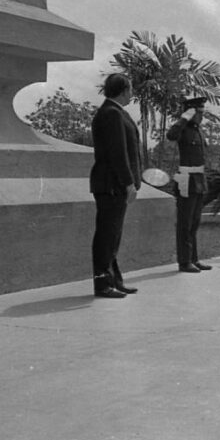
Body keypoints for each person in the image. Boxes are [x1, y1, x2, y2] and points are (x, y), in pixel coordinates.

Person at [88, 73, 141, 298]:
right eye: (130, 89)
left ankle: (114, 279)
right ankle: (102, 283)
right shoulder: (111, 114)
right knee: (107, 235)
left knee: (113, 234)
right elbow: (118, 153)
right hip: (111, 184)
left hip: (114, 184)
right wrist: (128, 183)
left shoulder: (115, 112)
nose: (132, 94)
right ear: (123, 90)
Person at [166, 96, 213, 273]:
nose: (201, 116)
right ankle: (184, 261)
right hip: (186, 180)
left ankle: (194, 258)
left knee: (194, 222)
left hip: (199, 180)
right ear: (190, 112)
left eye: (202, 113)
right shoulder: (183, 129)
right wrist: (184, 118)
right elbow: (171, 135)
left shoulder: (198, 131)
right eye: (198, 112)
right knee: (185, 223)